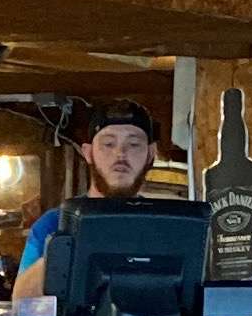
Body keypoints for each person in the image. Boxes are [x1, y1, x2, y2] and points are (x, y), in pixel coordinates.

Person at [13, 104, 161, 301]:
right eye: (108, 144)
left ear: (151, 153)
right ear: (88, 152)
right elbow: (21, 303)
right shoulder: (54, 223)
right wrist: (67, 246)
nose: (120, 154)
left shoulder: (164, 225)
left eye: (133, 144)